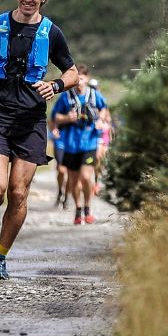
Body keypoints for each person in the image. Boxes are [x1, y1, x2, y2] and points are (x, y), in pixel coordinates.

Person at [0, 0, 78, 280]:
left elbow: (72, 73)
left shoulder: (52, 32)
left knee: (18, 192)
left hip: (31, 121)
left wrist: (55, 86)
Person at [51, 63, 109, 224]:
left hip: (89, 143)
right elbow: (56, 117)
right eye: (77, 79)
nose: (79, 82)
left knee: (86, 177)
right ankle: (78, 210)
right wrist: (67, 118)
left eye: (82, 79)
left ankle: (88, 209)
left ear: (86, 79)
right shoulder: (66, 97)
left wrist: (100, 120)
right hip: (71, 144)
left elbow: (104, 108)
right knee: (74, 180)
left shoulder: (94, 95)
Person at [47, 108, 69, 209]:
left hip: (74, 143)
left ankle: (67, 197)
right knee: (61, 170)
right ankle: (60, 191)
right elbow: (51, 118)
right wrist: (53, 130)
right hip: (60, 142)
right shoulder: (64, 99)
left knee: (71, 173)